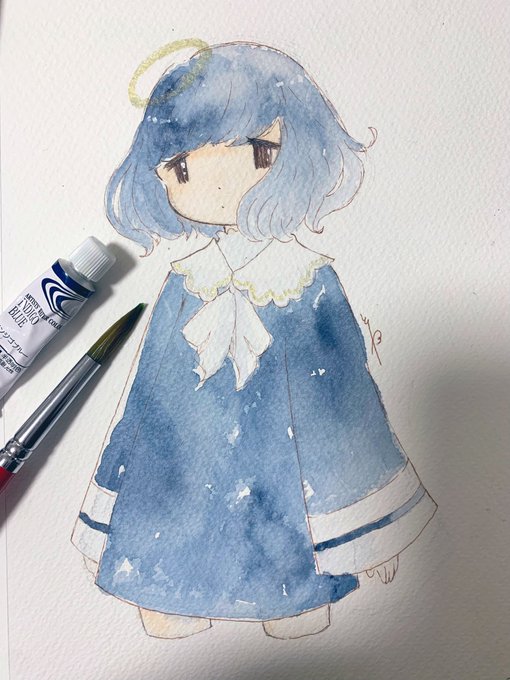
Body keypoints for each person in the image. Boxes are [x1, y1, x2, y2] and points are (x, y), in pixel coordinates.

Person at [72, 41, 436, 640]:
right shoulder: (184, 281)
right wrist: (107, 515)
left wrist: (369, 530)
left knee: (298, 629)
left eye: (258, 153)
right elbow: (144, 405)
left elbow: (345, 411)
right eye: (182, 166)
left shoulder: (308, 281)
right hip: (171, 509)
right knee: (165, 617)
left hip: (280, 513)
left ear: (297, 155)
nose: (214, 183)